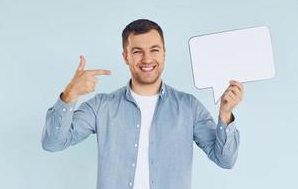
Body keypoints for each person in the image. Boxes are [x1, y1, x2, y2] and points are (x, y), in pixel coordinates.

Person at [41, 19, 243, 189]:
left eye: (154, 50)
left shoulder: (189, 107)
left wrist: (226, 113)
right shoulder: (102, 107)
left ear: (164, 53)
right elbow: (53, 143)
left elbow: (225, 160)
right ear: (125, 56)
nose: (147, 59)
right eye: (137, 51)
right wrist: (69, 95)